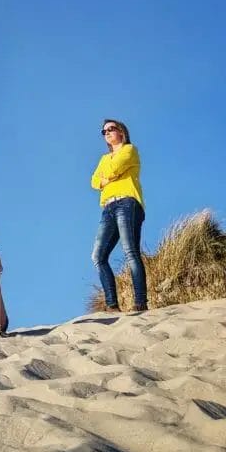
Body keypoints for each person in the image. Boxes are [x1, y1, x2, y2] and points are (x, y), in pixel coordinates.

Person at [90, 118, 148, 313]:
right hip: (107, 207)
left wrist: (106, 178)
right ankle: (112, 305)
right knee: (98, 256)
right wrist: (104, 179)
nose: (106, 133)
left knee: (130, 251)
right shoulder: (104, 159)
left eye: (111, 129)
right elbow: (93, 181)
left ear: (121, 132)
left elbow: (115, 169)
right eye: (104, 131)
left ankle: (140, 302)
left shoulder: (130, 150)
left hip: (127, 202)